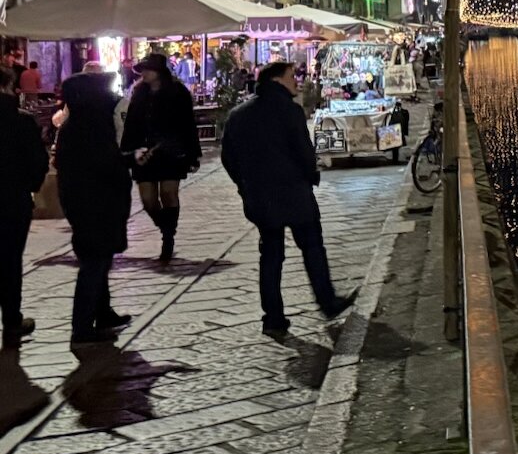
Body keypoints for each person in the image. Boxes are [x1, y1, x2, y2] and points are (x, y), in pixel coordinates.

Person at [221, 61, 354, 336]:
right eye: (292, 76)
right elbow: (303, 150)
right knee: (313, 249)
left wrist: (245, 185)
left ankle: (272, 317)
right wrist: (310, 176)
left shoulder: (238, 115)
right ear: (277, 80)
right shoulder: (289, 110)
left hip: (260, 197)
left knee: (270, 255)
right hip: (293, 193)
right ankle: (327, 302)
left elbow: (228, 158)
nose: (297, 81)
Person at [54, 65, 133, 344]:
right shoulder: (87, 130)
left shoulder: (76, 126)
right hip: (95, 206)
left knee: (101, 260)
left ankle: (102, 312)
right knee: (94, 263)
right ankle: (82, 326)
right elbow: (105, 166)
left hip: (91, 205)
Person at [122, 53, 201, 264]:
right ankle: (165, 227)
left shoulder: (177, 92)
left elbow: (187, 124)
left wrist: (193, 154)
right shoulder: (138, 93)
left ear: (159, 71)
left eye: (148, 69)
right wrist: (128, 153)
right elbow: (131, 123)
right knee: (148, 200)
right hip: (144, 152)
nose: (144, 74)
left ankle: (168, 236)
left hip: (170, 152)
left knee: (168, 193)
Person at [0, 70, 47, 345]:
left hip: (13, 198)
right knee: (9, 260)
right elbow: (37, 162)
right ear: (8, 86)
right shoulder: (21, 122)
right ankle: (12, 319)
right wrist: (29, 186)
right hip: (11, 200)